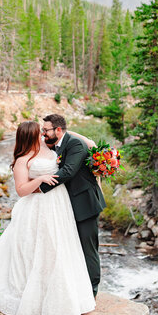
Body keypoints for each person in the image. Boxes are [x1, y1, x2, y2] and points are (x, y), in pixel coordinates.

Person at [0, 120, 96, 315]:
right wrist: (39, 180)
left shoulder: (46, 146)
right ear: (30, 136)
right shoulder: (22, 160)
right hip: (36, 207)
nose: (43, 133)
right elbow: (21, 191)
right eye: (39, 132)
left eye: (44, 131)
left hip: (59, 205)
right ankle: (33, 299)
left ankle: (63, 298)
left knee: (60, 247)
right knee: (36, 249)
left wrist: (67, 132)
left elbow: (84, 142)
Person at [40, 114, 106, 297]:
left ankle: (92, 291)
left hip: (85, 204)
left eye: (46, 130)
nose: (43, 134)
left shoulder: (75, 144)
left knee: (88, 248)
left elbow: (68, 172)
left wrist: (38, 188)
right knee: (71, 248)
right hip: (67, 205)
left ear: (58, 130)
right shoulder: (55, 144)